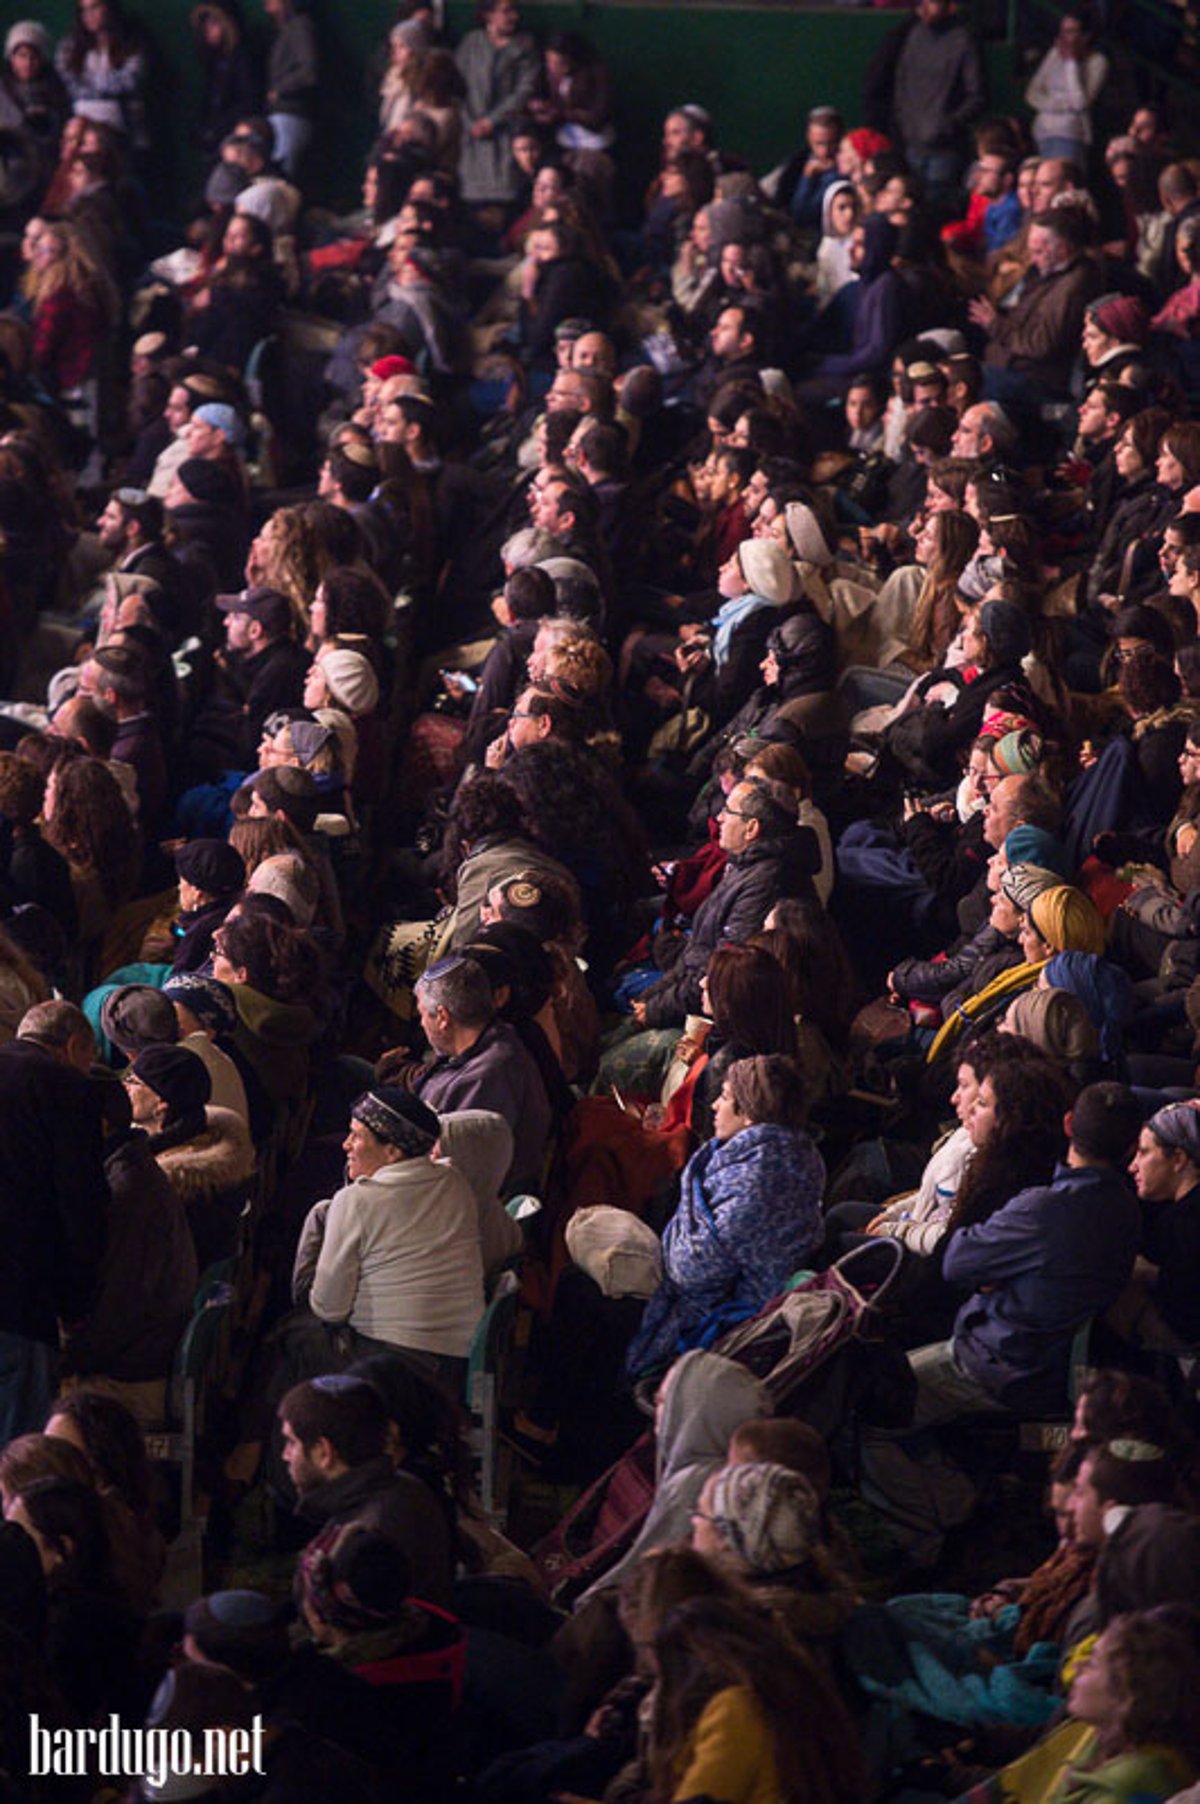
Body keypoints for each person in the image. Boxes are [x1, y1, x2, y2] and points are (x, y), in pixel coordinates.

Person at [627, 1055, 824, 1376]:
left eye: (726, 1097)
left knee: (585, 1294)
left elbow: (691, 1271)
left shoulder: (759, 1179)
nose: (715, 1105)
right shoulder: (795, 1153)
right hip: (715, 1291)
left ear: (749, 1114)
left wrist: (672, 1231)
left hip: (717, 1320)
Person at [293, 1084, 484, 1388]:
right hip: (458, 1365)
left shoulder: (356, 1200)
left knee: (290, 1341)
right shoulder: (456, 1184)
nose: (345, 1145)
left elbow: (329, 1308)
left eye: (356, 1136)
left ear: (393, 1151)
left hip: (392, 1364)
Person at [277, 1374, 454, 1605]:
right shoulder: (407, 1488)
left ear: (323, 1452)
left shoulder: (364, 1540)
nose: (285, 1455)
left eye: (292, 1443)